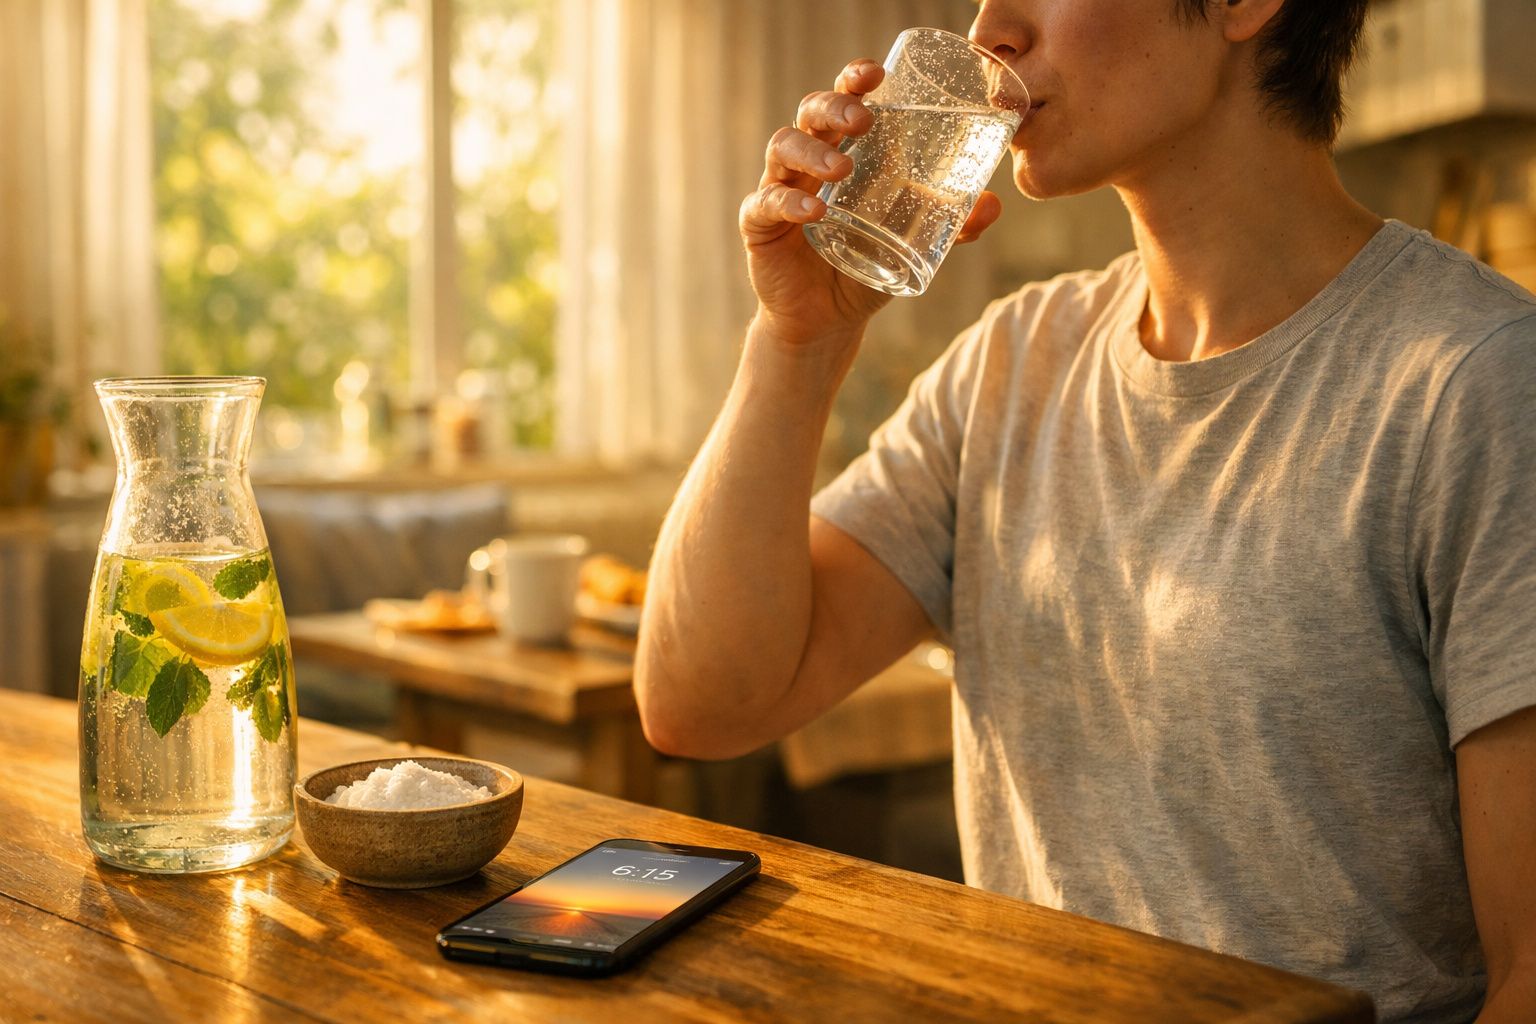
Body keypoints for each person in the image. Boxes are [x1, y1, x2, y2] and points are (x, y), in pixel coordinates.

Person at [634, 0, 1536, 1019]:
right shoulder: (1008, 365)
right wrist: (797, 341)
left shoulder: (1481, 386)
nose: (991, 28)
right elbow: (699, 703)